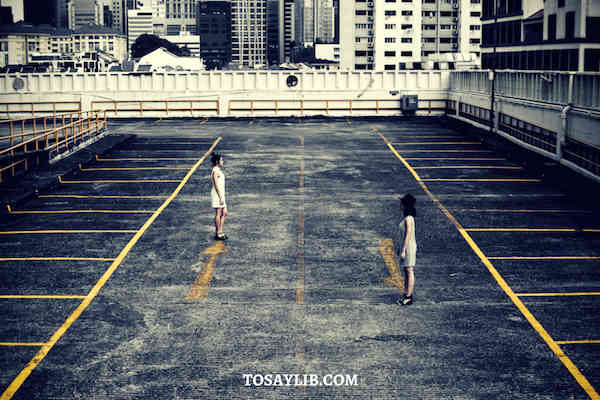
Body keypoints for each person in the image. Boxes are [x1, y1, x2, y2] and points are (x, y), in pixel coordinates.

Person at [396, 194, 417, 306]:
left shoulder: (408, 218)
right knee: (406, 271)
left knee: (409, 270)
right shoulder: (408, 218)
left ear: (405, 205)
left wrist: (403, 250)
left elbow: (408, 235)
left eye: (401, 203)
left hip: (409, 247)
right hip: (407, 247)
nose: (400, 205)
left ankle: (408, 297)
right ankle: (406, 294)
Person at [210, 152, 228, 240]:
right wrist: (220, 196)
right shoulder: (215, 171)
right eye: (221, 160)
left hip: (221, 194)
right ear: (217, 161)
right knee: (219, 213)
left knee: (224, 213)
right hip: (218, 194)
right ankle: (219, 233)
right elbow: (216, 184)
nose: (222, 161)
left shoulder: (218, 170)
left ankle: (219, 231)